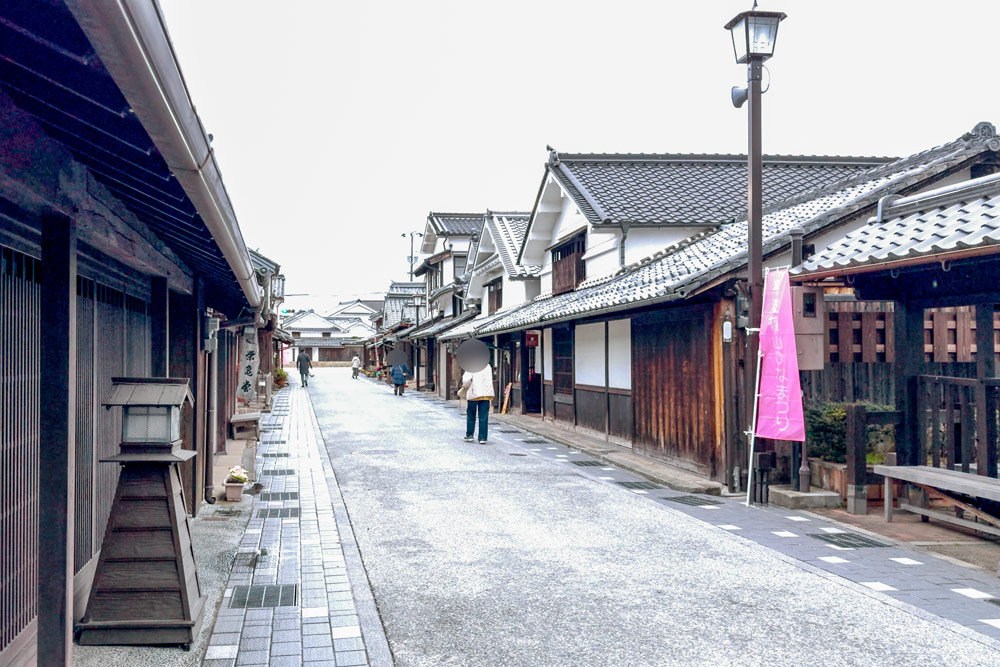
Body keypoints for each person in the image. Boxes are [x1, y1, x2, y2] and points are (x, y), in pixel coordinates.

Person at [461, 364, 495, 443]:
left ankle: (470, 435)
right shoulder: (488, 366)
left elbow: (466, 380)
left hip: (474, 393)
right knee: (483, 416)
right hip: (486, 394)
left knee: (471, 414)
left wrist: (464, 387)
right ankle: (482, 438)